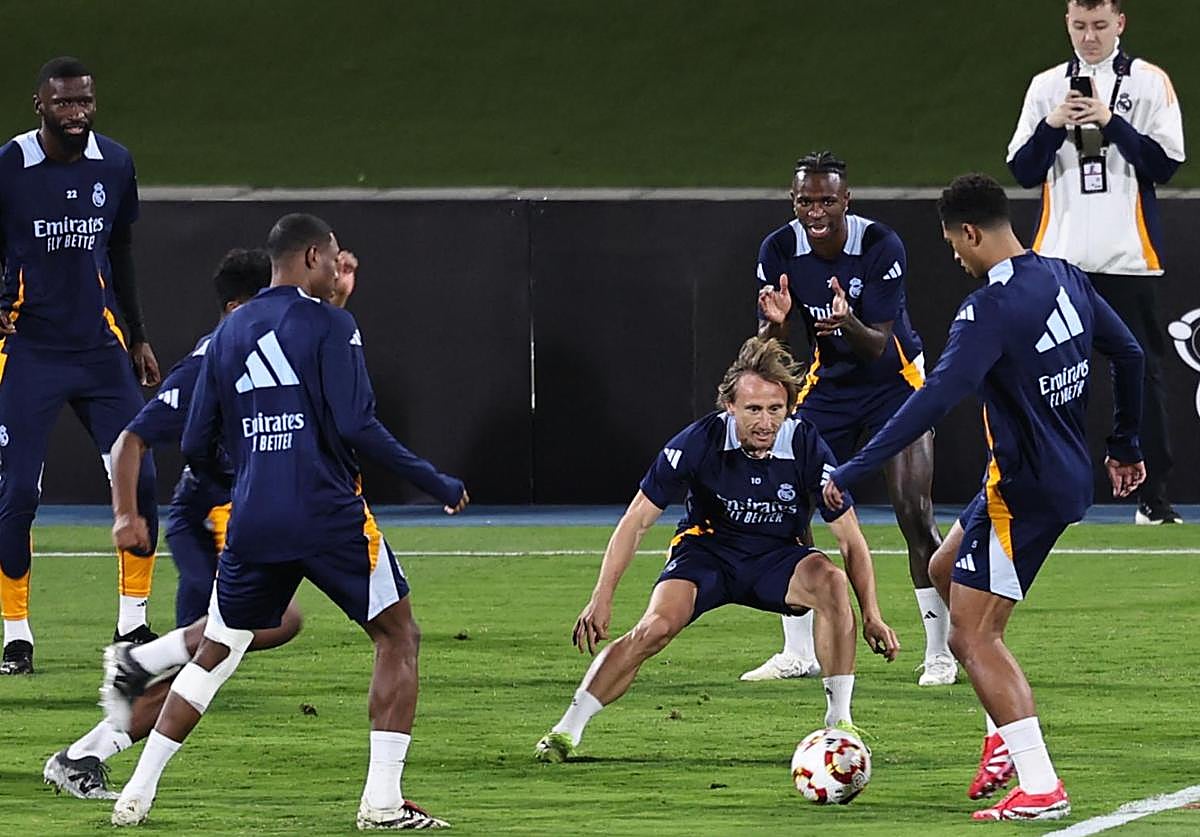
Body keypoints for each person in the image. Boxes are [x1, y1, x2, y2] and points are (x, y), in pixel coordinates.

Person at [108, 214, 467, 830]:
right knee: (398, 636)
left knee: (216, 654)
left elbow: (195, 444)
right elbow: (356, 424)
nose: (337, 271)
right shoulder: (331, 323)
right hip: (328, 516)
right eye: (332, 260)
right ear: (307, 258)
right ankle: (382, 803)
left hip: (253, 523)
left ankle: (134, 795)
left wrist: (246, 482)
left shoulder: (223, 336)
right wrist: (435, 480)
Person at [823, 173, 1144, 821]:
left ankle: (1041, 782)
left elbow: (936, 397)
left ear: (969, 232)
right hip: (1056, 474)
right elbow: (1131, 352)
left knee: (973, 637)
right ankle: (1001, 732)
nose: (955, 257)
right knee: (943, 568)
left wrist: (855, 465)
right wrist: (1125, 442)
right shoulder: (1064, 275)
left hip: (1021, 490)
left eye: (952, 244)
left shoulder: (987, 309)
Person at [533, 336, 899, 765]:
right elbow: (636, 522)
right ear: (729, 406)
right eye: (753, 410)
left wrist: (872, 614)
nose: (765, 422)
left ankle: (839, 726)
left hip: (776, 557)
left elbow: (850, 540)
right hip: (707, 553)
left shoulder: (806, 445)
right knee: (653, 628)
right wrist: (602, 596)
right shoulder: (698, 442)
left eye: (775, 409)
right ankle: (566, 731)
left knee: (832, 583)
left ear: (789, 408)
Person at [41, 248, 313, 799]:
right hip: (209, 516)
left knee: (222, 653)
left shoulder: (267, 348)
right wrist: (125, 515)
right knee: (243, 637)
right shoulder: (214, 358)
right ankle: (133, 672)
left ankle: (86, 750)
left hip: (251, 515)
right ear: (239, 307)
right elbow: (129, 439)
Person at [750, 151, 952, 686]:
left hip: (895, 382)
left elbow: (880, 345)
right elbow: (777, 346)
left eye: (825, 200)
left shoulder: (881, 245)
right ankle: (798, 651)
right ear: (793, 202)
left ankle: (940, 651)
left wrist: (847, 321)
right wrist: (776, 325)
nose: (814, 211)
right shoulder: (778, 249)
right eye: (804, 201)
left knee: (913, 511)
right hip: (831, 387)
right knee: (786, 504)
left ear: (846, 200)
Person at [0, 57, 162, 675]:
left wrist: (139, 335)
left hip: (100, 349)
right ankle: (17, 634)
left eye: (85, 102)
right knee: (15, 492)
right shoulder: (10, 166)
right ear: (38, 104)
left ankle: (133, 623)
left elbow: (119, 249)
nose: (77, 114)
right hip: (29, 350)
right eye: (64, 103)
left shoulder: (115, 162)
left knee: (141, 479)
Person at [1007, 0, 1185, 524]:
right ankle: (1045, 490)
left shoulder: (1150, 82)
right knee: (1049, 377)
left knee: (1144, 375)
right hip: (1059, 261)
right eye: (1080, 26)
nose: (1089, 37)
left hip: (1130, 258)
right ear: (1067, 22)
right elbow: (1021, 170)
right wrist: (1053, 124)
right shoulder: (1045, 87)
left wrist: (1111, 122)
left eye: (1100, 26)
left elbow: (1166, 164)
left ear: (1120, 24)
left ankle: (1154, 498)